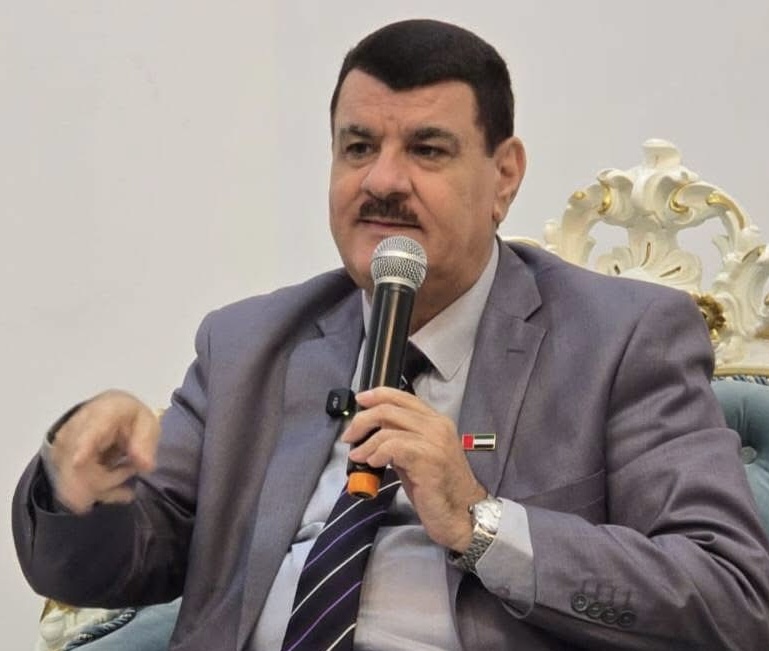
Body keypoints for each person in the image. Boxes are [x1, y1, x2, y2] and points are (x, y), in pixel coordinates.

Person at [13, 18, 769, 650]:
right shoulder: (246, 345)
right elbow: (112, 566)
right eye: (358, 147)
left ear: (504, 175)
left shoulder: (623, 339)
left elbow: (730, 596)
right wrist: (81, 483)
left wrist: (479, 522)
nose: (381, 181)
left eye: (427, 150)